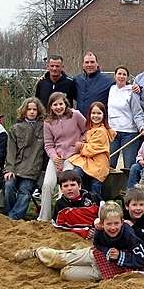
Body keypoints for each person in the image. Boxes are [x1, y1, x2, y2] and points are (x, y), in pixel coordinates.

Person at [14, 201, 144, 281]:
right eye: (109, 224)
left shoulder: (129, 235)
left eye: (116, 223)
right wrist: (107, 251)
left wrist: (120, 256)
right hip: (95, 256)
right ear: (102, 224)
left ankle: (74, 253)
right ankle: (37, 252)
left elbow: (142, 260)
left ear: (122, 222)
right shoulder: (99, 231)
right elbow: (98, 245)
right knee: (57, 259)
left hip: (106, 272)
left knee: (65, 273)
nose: (113, 227)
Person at [38, 92, 86, 221]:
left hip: (72, 156)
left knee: (64, 186)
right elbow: (48, 144)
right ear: (51, 107)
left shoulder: (75, 115)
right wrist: (54, 157)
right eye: (55, 105)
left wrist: (80, 143)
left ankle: (62, 217)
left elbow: (87, 130)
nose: (58, 107)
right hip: (56, 157)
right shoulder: (48, 122)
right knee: (47, 184)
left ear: (65, 104)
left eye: (60, 104)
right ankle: (44, 218)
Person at [4, 97, 46, 220]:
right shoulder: (16, 128)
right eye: (29, 109)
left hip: (32, 169)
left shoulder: (44, 127)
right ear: (24, 111)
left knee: (25, 191)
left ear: (38, 111)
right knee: (8, 186)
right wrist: (9, 169)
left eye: (34, 109)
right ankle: (10, 214)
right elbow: (11, 151)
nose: (32, 112)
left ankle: (13, 218)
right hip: (16, 166)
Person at [69, 102, 116, 196]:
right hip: (89, 162)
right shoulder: (90, 129)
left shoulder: (102, 131)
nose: (96, 116)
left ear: (104, 115)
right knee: (77, 174)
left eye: (99, 113)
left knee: (94, 191)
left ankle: (96, 205)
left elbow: (92, 149)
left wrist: (81, 146)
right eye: (93, 113)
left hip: (98, 164)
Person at [107, 66, 144, 169]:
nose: (121, 76)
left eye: (124, 74)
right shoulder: (110, 89)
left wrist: (141, 127)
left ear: (127, 77)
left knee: (129, 166)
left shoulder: (131, 91)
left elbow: (138, 112)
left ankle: (129, 185)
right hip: (113, 132)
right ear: (115, 76)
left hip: (129, 133)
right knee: (109, 163)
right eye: (119, 74)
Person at [52, 170, 103, 239]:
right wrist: (81, 232)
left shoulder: (93, 198)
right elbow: (58, 227)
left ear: (79, 186)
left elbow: (106, 216)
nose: (69, 188)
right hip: (74, 238)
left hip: (97, 234)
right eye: (65, 186)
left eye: (72, 185)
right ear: (61, 189)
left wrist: (98, 227)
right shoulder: (60, 204)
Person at [74, 51, 114, 116]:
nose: (89, 65)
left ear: (97, 64)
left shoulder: (108, 81)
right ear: (83, 65)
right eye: (87, 62)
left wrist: (134, 87)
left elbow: (122, 88)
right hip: (80, 122)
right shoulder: (77, 80)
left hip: (98, 122)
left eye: (92, 62)